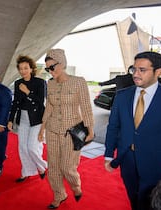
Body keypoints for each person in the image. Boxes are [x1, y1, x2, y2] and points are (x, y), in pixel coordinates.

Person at [104, 51, 161, 210]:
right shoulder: (122, 96)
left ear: (158, 71)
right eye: (133, 69)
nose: (135, 74)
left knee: (151, 202)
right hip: (126, 159)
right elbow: (113, 126)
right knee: (133, 198)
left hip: (156, 163)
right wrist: (109, 154)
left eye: (142, 70)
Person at [38, 49, 95, 209]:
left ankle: (76, 186)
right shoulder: (50, 83)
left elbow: (86, 107)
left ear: (62, 64)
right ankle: (59, 194)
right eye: (47, 68)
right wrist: (42, 127)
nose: (50, 71)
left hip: (72, 132)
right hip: (52, 130)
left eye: (52, 67)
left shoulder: (78, 82)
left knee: (67, 167)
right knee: (53, 167)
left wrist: (90, 130)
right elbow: (49, 105)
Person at [7, 55, 47, 183]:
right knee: (23, 147)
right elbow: (15, 103)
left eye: (25, 68)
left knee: (32, 147)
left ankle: (42, 167)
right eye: (20, 69)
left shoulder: (40, 83)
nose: (23, 71)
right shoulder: (18, 83)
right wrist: (10, 119)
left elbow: (41, 102)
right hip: (23, 118)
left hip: (36, 119)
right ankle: (26, 172)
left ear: (31, 68)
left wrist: (28, 92)